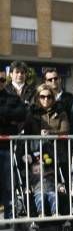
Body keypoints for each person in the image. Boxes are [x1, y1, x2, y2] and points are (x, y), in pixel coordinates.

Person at [0, 75, 30, 220]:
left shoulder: (12, 97)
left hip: (7, 147)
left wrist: (4, 115)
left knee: (8, 184)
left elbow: (21, 114)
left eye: (1, 80)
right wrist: (7, 117)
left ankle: (10, 216)